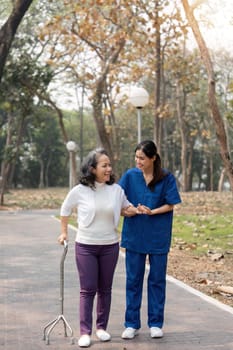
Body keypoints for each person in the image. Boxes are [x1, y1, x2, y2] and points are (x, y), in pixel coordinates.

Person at [58, 147, 138, 348]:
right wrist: (64, 232)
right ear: (92, 169)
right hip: (86, 245)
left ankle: (101, 328)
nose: (109, 169)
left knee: (105, 289)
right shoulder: (79, 191)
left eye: (109, 165)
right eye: (104, 165)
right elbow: (65, 209)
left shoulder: (116, 190)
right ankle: (85, 332)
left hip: (110, 245)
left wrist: (137, 209)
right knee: (88, 289)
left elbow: (125, 208)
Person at [118, 140, 181, 340]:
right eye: (136, 157)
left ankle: (155, 323)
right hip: (135, 235)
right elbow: (117, 201)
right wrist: (130, 211)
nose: (138, 161)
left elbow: (171, 204)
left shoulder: (166, 177)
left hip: (158, 236)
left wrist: (152, 211)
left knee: (156, 280)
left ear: (153, 158)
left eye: (142, 158)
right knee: (133, 280)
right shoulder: (129, 176)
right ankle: (131, 324)